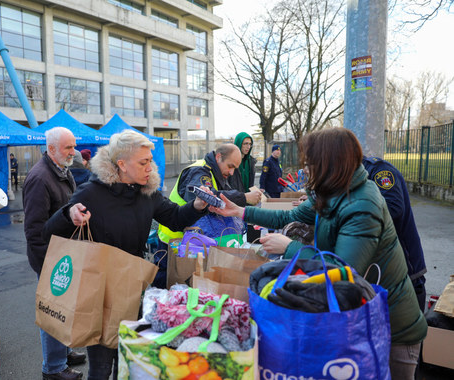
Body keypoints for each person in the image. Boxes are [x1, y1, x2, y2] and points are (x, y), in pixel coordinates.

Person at [213, 128, 427, 379]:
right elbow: (289, 216)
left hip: (391, 328)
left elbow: (344, 270)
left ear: (330, 162)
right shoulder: (331, 191)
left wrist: (288, 247)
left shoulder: (363, 203)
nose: (306, 169)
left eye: (311, 163)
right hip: (359, 318)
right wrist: (240, 211)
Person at [43, 130, 215, 380]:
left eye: (151, 161)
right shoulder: (91, 193)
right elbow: (49, 232)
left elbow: (175, 218)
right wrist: (69, 214)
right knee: (101, 367)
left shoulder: (147, 192)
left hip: (134, 287)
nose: (151, 167)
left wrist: (198, 205)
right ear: (121, 164)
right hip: (99, 291)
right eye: (144, 162)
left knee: (129, 359)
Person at [22, 127, 86, 380]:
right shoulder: (40, 178)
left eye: (74, 146)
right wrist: (46, 263)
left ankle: (64, 352)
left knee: (65, 307)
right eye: (68, 148)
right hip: (51, 256)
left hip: (63, 252)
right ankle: (54, 367)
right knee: (53, 310)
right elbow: (34, 229)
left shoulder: (61, 170)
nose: (74, 152)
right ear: (51, 149)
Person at [157, 144, 262, 245]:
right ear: (218, 157)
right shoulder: (199, 171)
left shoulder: (216, 173)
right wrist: (244, 197)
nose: (231, 172)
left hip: (191, 241)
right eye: (230, 166)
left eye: (235, 168)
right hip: (175, 241)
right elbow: (206, 197)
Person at [362, 156, 427, 311]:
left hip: (406, 268)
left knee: (408, 325)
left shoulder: (379, 170)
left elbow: (394, 208)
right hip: (382, 269)